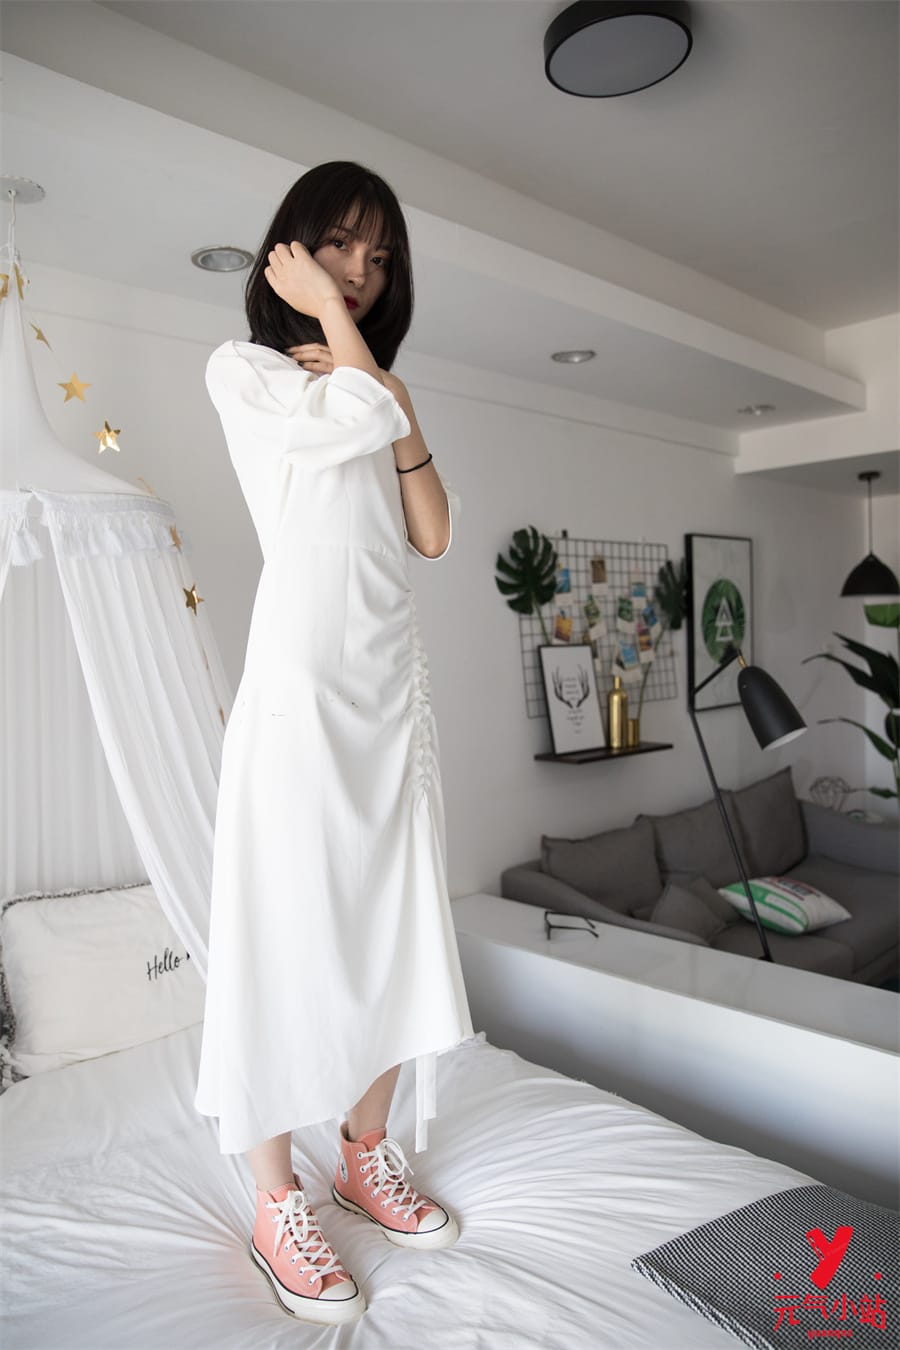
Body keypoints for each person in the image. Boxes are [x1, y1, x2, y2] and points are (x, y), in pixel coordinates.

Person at [195, 161, 475, 1325]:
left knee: (393, 921)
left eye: (378, 256)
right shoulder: (246, 369)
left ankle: (364, 1150)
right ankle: (276, 1201)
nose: (360, 271)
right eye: (341, 246)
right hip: (301, 688)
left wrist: (388, 387)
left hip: (388, 689)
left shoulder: (370, 378)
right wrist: (339, 339)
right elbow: (360, 416)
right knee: (280, 924)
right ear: (291, 248)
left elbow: (435, 532)